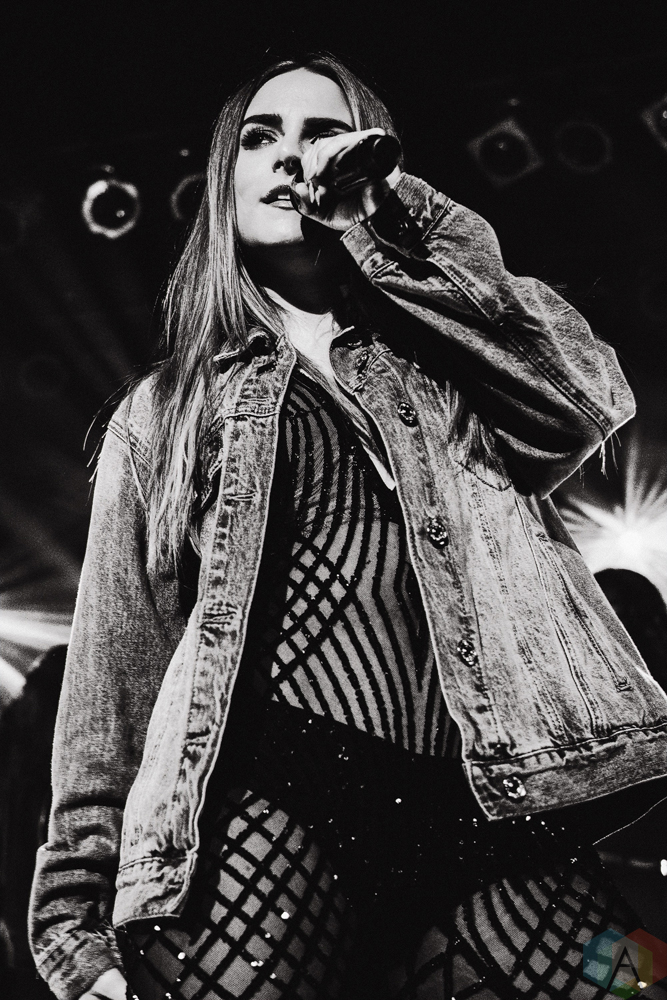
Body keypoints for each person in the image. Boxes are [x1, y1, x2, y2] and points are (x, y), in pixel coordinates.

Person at [28, 53, 667, 1000]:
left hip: (485, 800)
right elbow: (115, 667)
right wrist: (72, 917)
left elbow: (582, 398)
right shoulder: (166, 410)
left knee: (629, 983)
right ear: (224, 184)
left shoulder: (449, 369)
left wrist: (393, 220)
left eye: (323, 132)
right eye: (260, 138)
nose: (292, 156)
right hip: (272, 794)